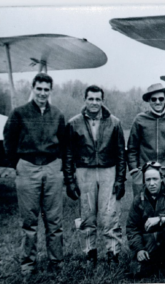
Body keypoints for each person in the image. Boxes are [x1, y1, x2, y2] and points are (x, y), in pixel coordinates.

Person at [3, 73, 65, 277]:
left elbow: (63, 143)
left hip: (52, 168)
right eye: (39, 89)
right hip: (28, 168)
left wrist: (58, 165)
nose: (42, 93)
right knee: (29, 221)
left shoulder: (57, 114)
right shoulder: (19, 113)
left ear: (50, 91)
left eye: (46, 90)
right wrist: (18, 164)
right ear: (33, 88)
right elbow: (9, 141)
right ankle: (28, 264)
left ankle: (56, 263)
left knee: (54, 221)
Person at [63, 85, 126, 267]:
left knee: (110, 215)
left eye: (98, 99)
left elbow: (121, 153)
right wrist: (70, 181)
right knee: (87, 215)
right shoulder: (74, 123)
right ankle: (90, 253)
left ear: (102, 101)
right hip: (84, 171)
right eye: (90, 99)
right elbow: (68, 154)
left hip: (109, 170)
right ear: (85, 100)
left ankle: (112, 253)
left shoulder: (114, 122)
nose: (94, 103)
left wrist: (120, 179)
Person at [126, 161, 165, 277]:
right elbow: (132, 227)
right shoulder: (139, 199)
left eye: (155, 179)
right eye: (148, 180)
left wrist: (161, 218)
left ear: (161, 178)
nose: (152, 183)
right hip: (149, 242)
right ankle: (156, 262)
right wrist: (139, 249)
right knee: (137, 272)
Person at [126, 83, 165, 196]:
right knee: (143, 207)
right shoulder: (140, 119)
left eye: (161, 98)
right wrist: (135, 171)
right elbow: (131, 148)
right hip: (144, 171)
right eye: (154, 99)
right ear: (149, 100)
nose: (157, 102)